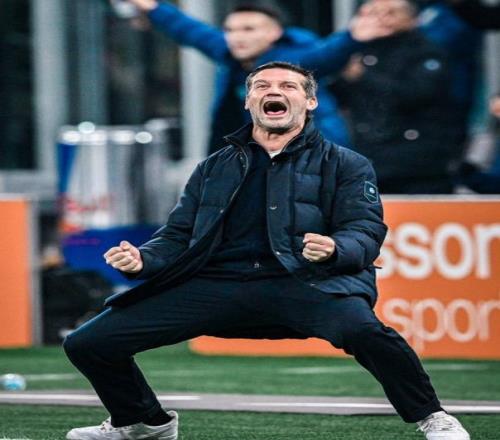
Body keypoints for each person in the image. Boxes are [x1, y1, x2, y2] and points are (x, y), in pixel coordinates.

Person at [64, 62, 470, 440]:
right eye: (262, 86)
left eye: (288, 86)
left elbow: (365, 229)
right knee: (88, 342)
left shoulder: (347, 164)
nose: (274, 91)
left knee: (366, 332)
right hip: (216, 283)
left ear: (310, 101)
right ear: (249, 101)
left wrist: (335, 248)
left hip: (305, 281)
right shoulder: (213, 166)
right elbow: (178, 234)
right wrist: (143, 259)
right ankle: (143, 423)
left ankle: (432, 416)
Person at [122, 0, 393, 154]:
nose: (237, 37)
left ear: (274, 33)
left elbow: (325, 55)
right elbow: (191, 31)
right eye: (231, 30)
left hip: (307, 157)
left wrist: (351, 38)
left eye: (249, 29)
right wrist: (153, 8)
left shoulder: (291, 60)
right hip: (249, 156)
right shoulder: (231, 54)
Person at [330, 0, 460, 194]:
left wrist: (364, 77)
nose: (382, 18)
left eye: (391, 13)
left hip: (419, 163)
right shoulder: (354, 51)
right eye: (373, 13)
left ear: (413, 19)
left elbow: (418, 93)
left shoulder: (427, 51)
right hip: (367, 157)